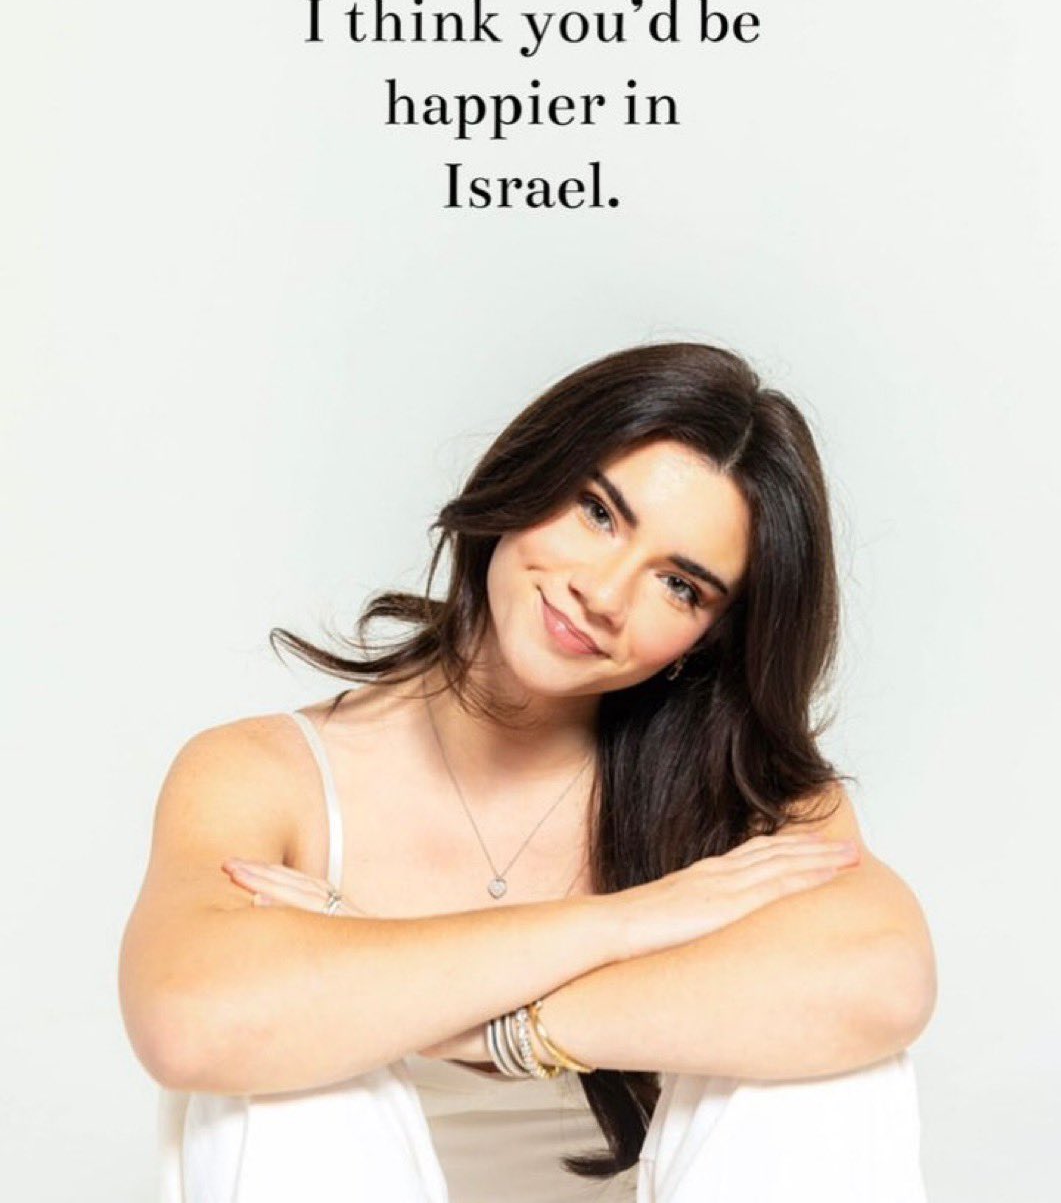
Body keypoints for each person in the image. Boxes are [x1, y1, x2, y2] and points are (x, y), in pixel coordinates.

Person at [119, 341, 936, 1202]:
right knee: (277, 1060)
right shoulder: (267, 774)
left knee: (827, 1063)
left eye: (679, 585)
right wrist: (626, 922)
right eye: (597, 512)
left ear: (706, 640)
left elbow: (883, 981)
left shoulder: (744, 798)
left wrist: (500, 1030)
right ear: (530, 471)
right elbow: (189, 1020)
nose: (603, 593)